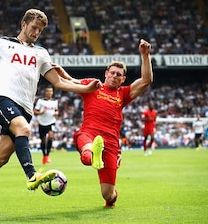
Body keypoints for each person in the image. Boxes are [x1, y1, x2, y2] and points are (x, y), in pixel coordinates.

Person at [0, 8, 101, 212]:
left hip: (25, 108)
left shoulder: (41, 53)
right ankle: (31, 175)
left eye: (40, 31)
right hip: (3, 98)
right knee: (23, 130)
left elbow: (58, 82)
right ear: (23, 24)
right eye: (34, 27)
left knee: (1, 157)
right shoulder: (4, 44)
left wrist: (84, 88)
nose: (36, 33)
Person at [55, 39, 153, 207]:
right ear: (106, 73)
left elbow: (146, 80)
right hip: (89, 133)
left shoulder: (123, 93)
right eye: (112, 73)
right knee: (87, 156)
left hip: (111, 143)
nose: (115, 76)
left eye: (118, 75)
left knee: (107, 194)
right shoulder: (93, 85)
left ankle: (112, 197)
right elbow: (72, 81)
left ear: (123, 79)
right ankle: (91, 153)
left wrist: (145, 55)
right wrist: (61, 72)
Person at [34, 85, 58, 164]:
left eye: (50, 91)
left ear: (52, 92)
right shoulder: (40, 101)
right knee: (43, 140)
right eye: (47, 91)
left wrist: (56, 113)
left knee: (51, 136)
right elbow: (35, 112)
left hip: (51, 122)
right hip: (42, 122)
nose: (49, 93)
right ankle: (44, 155)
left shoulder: (55, 102)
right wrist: (41, 112)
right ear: (45, 92)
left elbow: (56, 111)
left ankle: (47, 155)